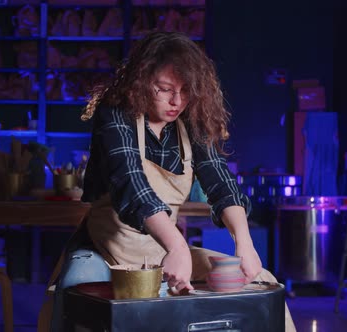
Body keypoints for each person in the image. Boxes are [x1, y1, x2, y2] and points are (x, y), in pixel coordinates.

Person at [49, 31, 296, 331]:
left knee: (263, 283)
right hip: (105, 250)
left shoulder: (190, 120)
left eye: (185, 90)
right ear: (141, 82)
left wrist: (244, 243)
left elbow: (221, 182)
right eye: (165, 89)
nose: (177, 101)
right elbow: (133, 187)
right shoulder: (115, 111)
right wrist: (178, 247)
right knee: (75, 290)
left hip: (162, 253)